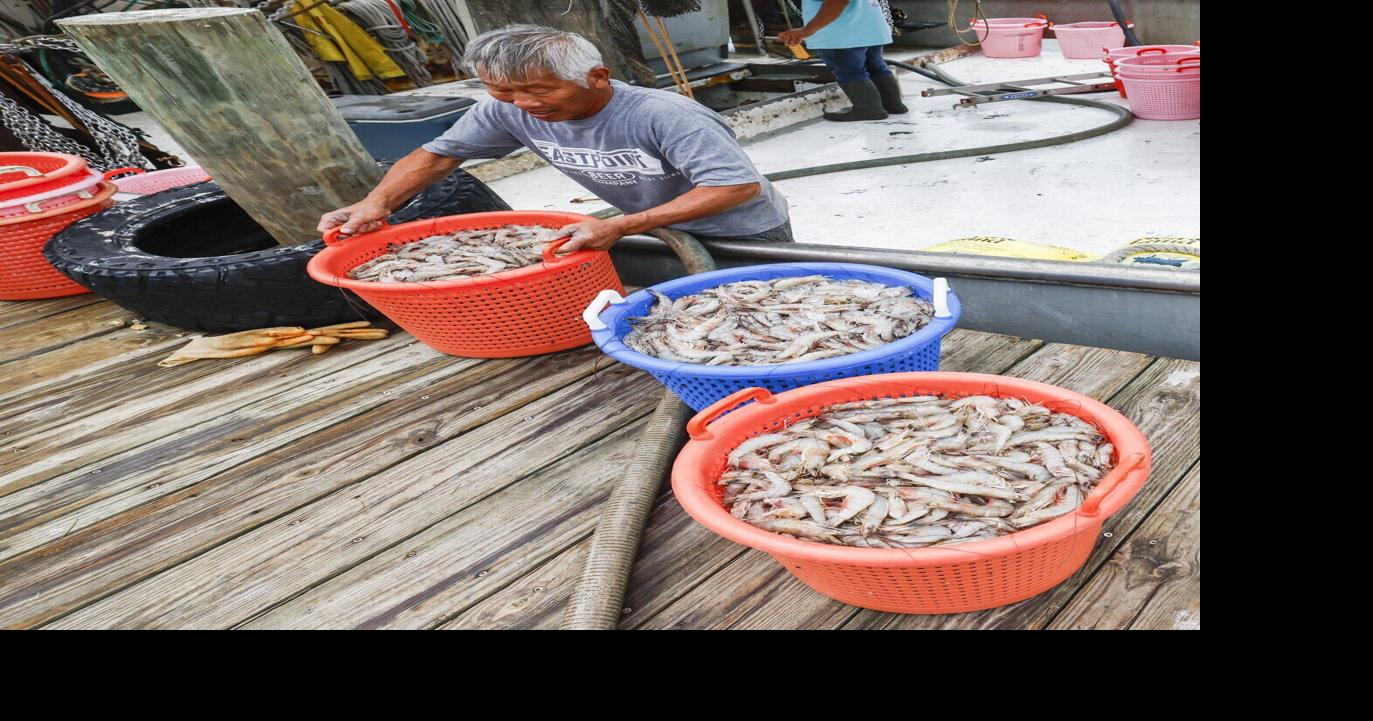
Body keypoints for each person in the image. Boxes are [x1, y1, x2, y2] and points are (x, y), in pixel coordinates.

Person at [318, 24, 792, 252]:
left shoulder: (664, 115)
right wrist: (376, 204)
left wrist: (623, 225)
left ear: (598, 77)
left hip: (742, 233)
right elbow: (439, 155)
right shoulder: (504, 109)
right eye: (503, 91)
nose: (523, 104)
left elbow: (734, 186)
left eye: (540, 90)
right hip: (651, 230)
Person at [779, 0, 908, 122]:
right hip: (871, 29)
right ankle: (893, 105)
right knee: (876, 66)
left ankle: (869, 110)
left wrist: (806, 31)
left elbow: (838, 2)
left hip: (842, 34)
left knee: (850, 72)